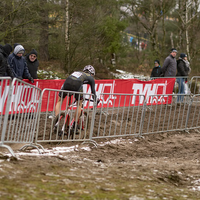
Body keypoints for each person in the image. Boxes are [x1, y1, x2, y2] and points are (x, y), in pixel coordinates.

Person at [55, 65, 99, 132]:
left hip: (67, 82)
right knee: (79, 104)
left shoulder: (77, 72)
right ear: (92, 73)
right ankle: (74, 126)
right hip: (77, 85)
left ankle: (56, 122)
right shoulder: (90, 77)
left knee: (59, 101)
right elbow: (93, 92)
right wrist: (96, 100)